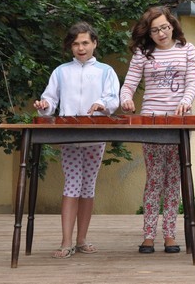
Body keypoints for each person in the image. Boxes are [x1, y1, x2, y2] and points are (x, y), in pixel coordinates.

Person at [34, 21, 120, 259]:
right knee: (72, 184)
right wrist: (44, 105)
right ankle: (66, 241)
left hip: (95, 136)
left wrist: (102, 105)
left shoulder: (106, 71)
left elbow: (113, 99)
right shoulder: (61, 71)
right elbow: (50, 100)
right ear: (70, 47)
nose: (81, 48)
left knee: (88, 186)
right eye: (75, 44)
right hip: (70, 136)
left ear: (94, 43)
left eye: (85, 43)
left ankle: (81, 239)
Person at [120, 6, 195, 255]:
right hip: (151, 123)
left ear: (173, 25)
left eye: (164, 27)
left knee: (173, 180)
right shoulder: (143, 53)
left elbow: (192, 82)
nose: (161, 33)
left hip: (177, 122)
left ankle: (169, 234)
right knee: (154, 179)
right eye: (155, 30)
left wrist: (186, 101)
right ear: (148, 33)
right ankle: (148, 235)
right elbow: (128, 85)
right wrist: (126, 99)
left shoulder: (188, 49)